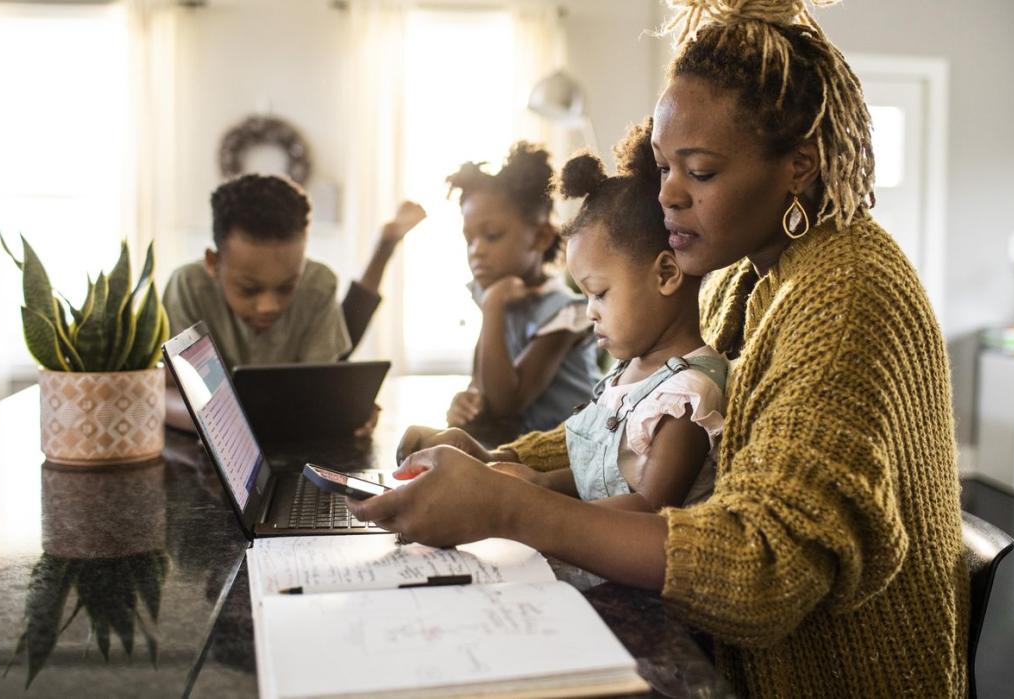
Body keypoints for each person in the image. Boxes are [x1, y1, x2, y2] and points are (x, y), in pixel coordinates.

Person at [356, 0, 967, 695]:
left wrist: (509, 506)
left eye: (700, 172)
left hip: (832, 676)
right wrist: (496, 461)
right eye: (662, 166)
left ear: (799, 165)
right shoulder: (741, 273)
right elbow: (636, 417)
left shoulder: (847, 294)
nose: (668, 195)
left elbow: (764, 567)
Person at [493, 125, 728, 512]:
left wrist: (529, 504)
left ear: (666, 274)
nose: (590, 312)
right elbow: (601, 474)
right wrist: (538, 482)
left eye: (599, 294)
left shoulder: (686, 394)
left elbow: (645, 509)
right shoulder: (628, 372)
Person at [163, 173, 425, 430]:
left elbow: (321, 386)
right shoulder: (187, 285)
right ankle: (384, 246)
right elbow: (161, 394)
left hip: (310, 371)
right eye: (249, 289)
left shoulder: (318, 282)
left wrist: (344, 407)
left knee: (343, 343)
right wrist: (224, 420)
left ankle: (384, 248)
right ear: (213, 263)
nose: (269, 306)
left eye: (287, 286)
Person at [444, 142, 600, 437]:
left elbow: (506, 403)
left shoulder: (566, 312)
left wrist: (492, 308)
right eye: (469, 239)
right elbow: (484, 389)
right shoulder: (496, 297)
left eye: (492, 236)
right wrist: (466, 402)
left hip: (569, 458)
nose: (476, 251)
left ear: (540, 237)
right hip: (516, 451)